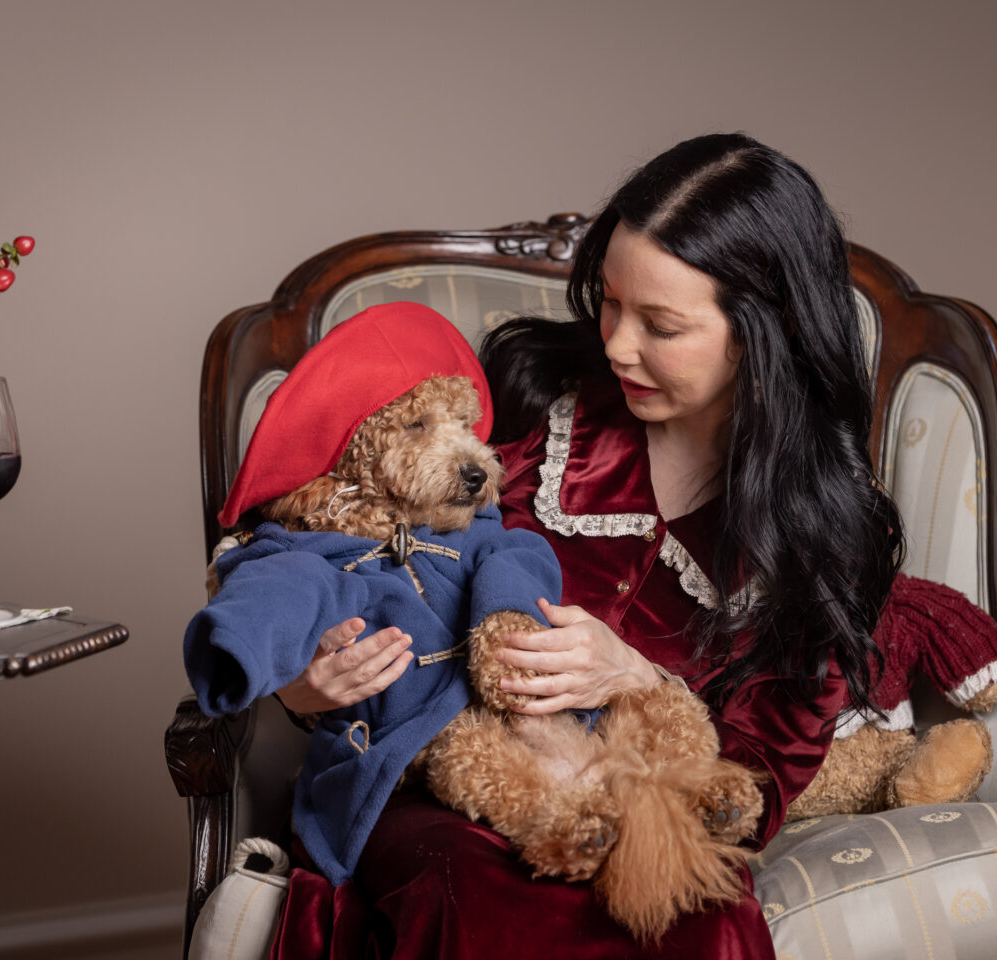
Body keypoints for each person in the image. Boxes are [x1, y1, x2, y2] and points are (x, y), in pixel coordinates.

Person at [251, 132, 910, 958]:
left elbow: (756, 782)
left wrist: (637, 676)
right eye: (610, 302)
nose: (617, 344)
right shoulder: (530, 399)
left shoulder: (830, 528)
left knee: (699, 918)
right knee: (478, 891)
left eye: (661, 325)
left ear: (761, 332)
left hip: (650, 800)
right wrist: (305, 689)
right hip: (444, 785)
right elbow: (340, 555)